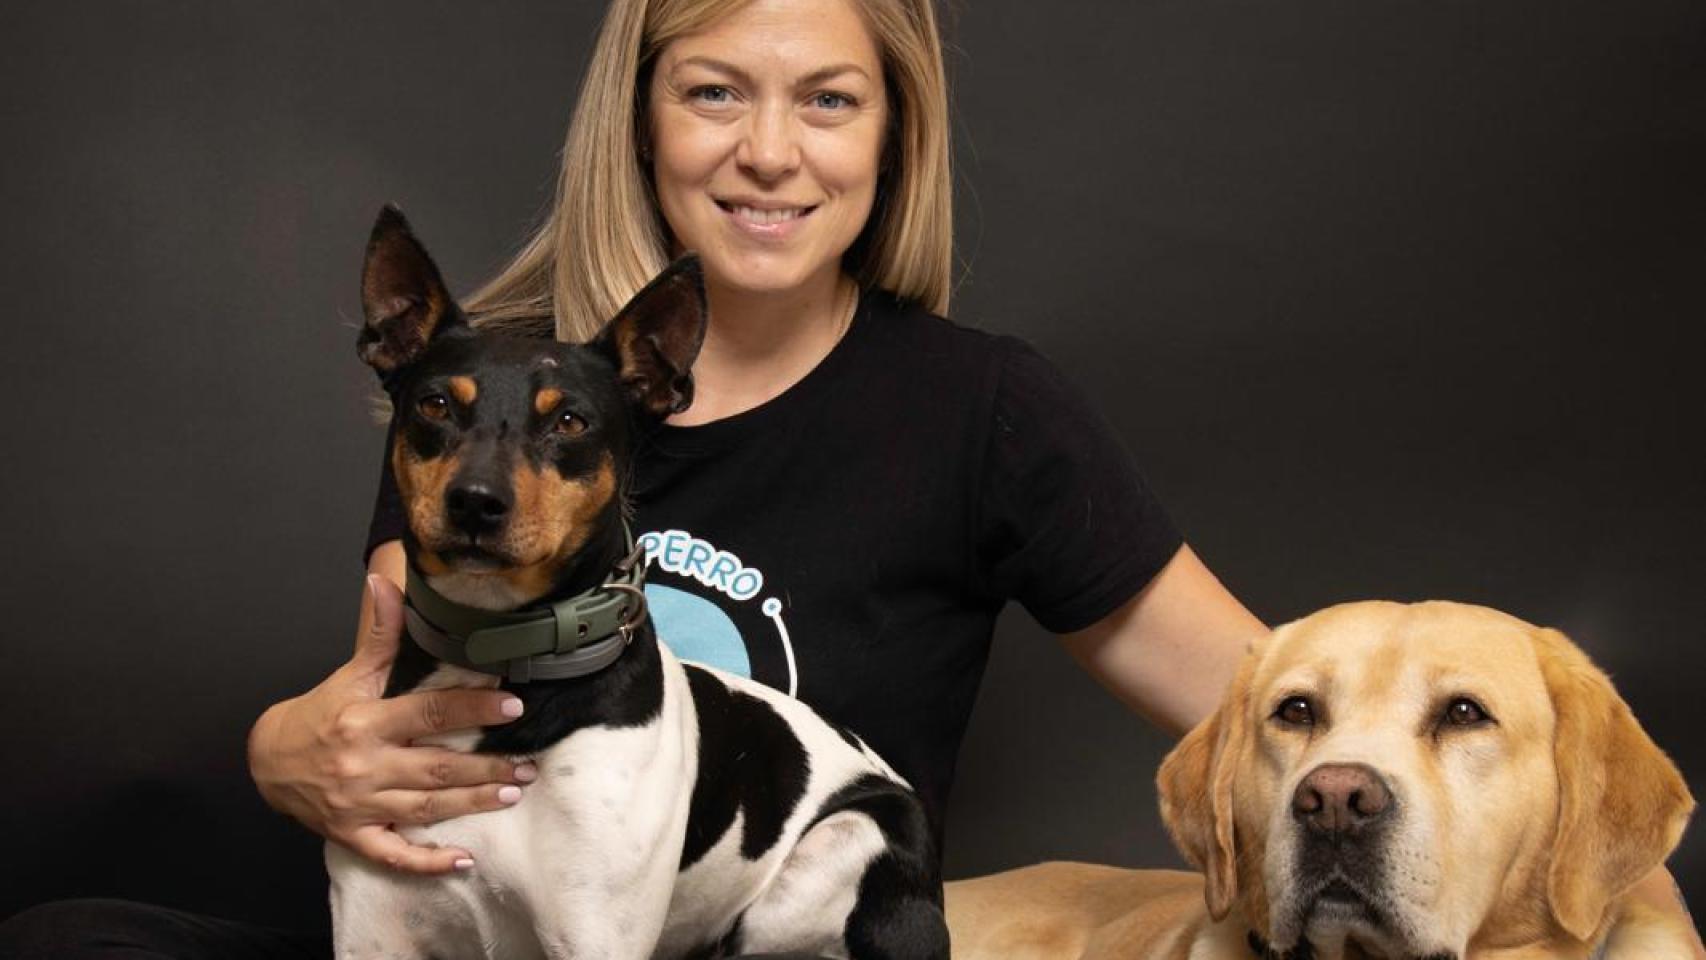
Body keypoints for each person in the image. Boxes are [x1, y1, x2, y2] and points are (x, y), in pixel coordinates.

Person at [3, 0, 1697, 956]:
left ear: (890, 140)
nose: (767, 150)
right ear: (641, 116)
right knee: (75, 938)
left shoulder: (982, 410)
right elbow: (387, 726)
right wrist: (284, 746)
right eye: (713, 90)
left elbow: (1299, 714)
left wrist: (1588, 885)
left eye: (828, 99)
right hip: (478, 933)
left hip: (782, 946)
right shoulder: (496, 398)